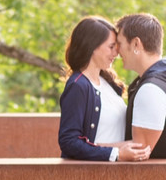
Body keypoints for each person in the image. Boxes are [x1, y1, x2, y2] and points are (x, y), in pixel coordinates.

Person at [58, 16, 151, 162]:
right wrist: (116, 154)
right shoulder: (78, 86)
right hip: (93, 176)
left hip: (115, 173)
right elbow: (69, 142)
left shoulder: (108, 83)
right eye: (111, 47)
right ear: (92, 46)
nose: (116, 54)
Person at [115, 13, 166, 158]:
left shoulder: (151, 90)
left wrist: (88, 146)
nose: (117, 51)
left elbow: (139, 150)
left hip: (159, 178)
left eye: (120, 43)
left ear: (136, 44)